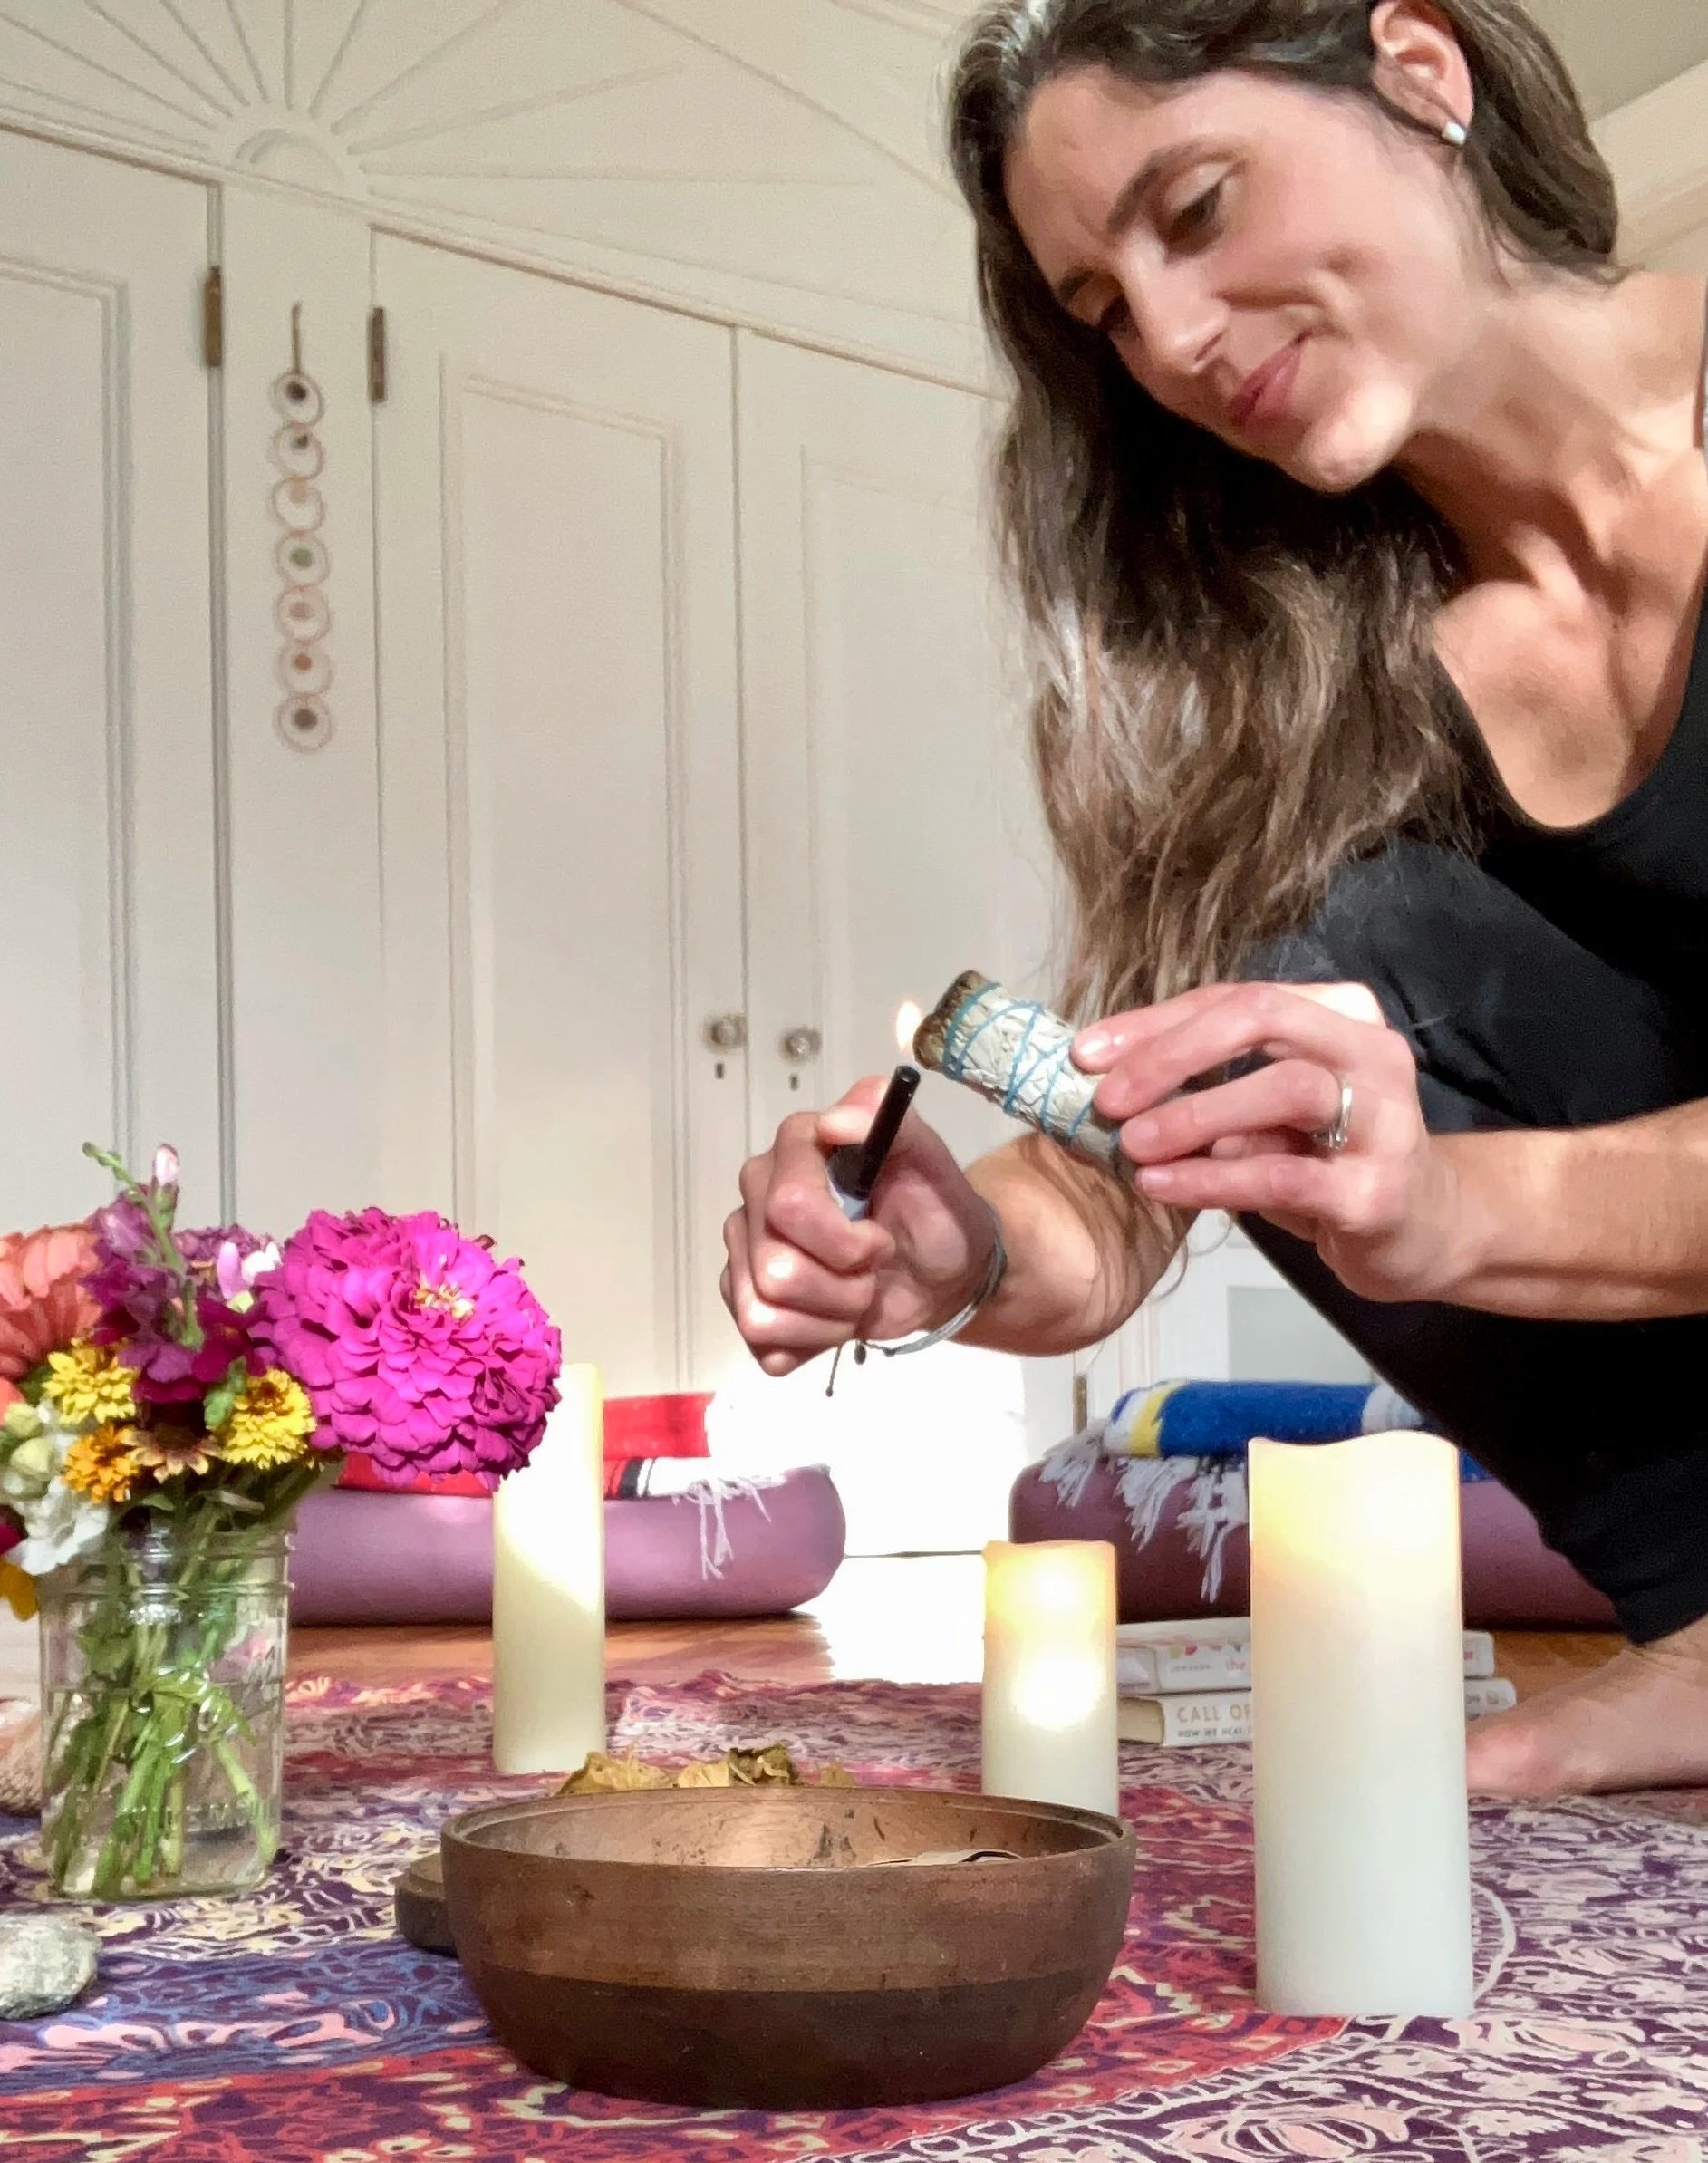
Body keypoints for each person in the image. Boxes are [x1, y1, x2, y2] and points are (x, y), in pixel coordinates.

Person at [720, 0, 1708, 1801]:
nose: (1167, 340)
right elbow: (1130, 1173)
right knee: (1289, 961)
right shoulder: (1319, 669)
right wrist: (952, 1253)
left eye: (1195, 206)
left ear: (1418, 70)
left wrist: (1446, 1204)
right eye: (1101, 309)